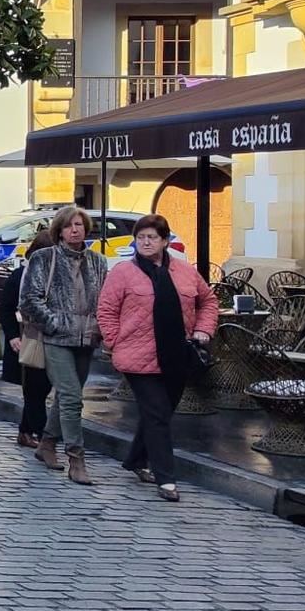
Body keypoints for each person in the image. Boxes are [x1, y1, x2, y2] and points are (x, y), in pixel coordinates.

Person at [98, 214, 216, 501]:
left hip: (176, 353)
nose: (146, 242)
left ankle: (136, 459)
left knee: (160, 413)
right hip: (137, 356)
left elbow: (209, 301)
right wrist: (115, 341)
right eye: (140, 237)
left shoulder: (185, 272)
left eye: (152, 237)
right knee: (157, 413)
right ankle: (166, 478)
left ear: (165, 241)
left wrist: (203, 330)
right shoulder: (123, 272)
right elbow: (106, 310)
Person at [21, 206, 109, 485]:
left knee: (66, 397)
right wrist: (55, 323)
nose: (75, 230)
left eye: (80, 225)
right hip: (56, 338)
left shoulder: (97, 261)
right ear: (59, 230)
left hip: (87, 338)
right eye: (70, 225)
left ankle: (46, 443)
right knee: (71, 396)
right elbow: (29, 299)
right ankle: (76, 457)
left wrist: (101, 329)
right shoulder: (44, 258)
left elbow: (104, 300)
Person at [1, 234, 53, 453]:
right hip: (26, 338)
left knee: (40, 389)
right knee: (33, 388)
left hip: (51, 337)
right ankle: (42, 436)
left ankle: (25, 430)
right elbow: (6, 308)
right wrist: (13, 336)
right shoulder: (21, 275)